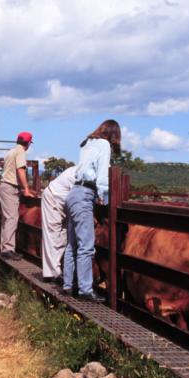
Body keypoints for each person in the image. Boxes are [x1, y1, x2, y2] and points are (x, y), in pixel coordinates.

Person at [63, 120, 121, 302]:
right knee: (86, 246)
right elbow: (103, 175)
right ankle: (85, 290)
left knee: (72, 244)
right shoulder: (104, 144)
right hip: (85, 195)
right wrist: (105, 196)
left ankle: (67, 285)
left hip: (73, 193)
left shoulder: (88, 143)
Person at [0, 131, 34, 260]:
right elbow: (20, 169)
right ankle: (8, 249)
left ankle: (6, 247)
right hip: (10, 186)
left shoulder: (10, 151)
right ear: (28, 143)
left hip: (4, 186)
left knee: (7, 219)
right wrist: (26, 189)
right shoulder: (20, 152)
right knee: (12, 218)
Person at [41, 166, 77, 281]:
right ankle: (52, 274)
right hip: (53, 198)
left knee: (62, 236)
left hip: (63, 203)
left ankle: (55, 271)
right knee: (53, 235)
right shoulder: (79, 174)